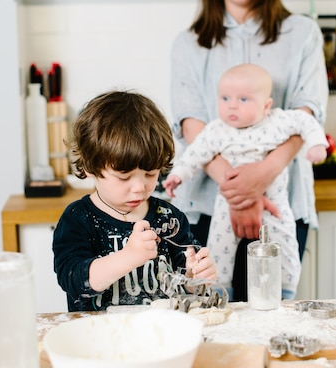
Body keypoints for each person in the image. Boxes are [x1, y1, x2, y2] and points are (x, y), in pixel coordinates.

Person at [169, 0, 328, 301]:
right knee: (214, 315)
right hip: (207, 208)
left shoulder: (303, 34)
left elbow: (307, 114)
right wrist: (236, 189)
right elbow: (193, 124)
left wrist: (260, 176)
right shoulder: (188, 44)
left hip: (280, 202)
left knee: (273, 312)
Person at [164, 64, 328, 298]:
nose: (232, 105)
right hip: (228, 202)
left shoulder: (277, 121)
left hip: (274, 202)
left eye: (243, 99)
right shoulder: (217, 130)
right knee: (218, 249)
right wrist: (177, 174)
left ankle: (286, 291)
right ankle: (221, 292)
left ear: (266, 105)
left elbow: (306, 121)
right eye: (225, 98)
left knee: (285, 244)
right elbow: (195, 152)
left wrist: (317, 144)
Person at [53, 90, 217, 311]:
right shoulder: (78, 219)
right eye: (124, 177)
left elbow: (188, 285)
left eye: (150, 174)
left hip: (161, 336)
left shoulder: (170, 219)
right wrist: (128, 257)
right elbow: (73, 281)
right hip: (100, 340)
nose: (140, 188)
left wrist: (196, 276)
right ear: (90, 167)